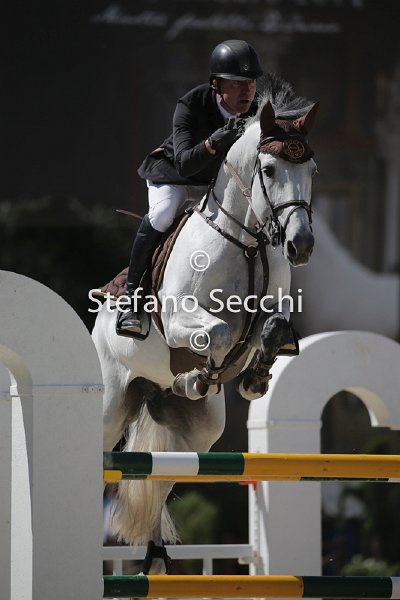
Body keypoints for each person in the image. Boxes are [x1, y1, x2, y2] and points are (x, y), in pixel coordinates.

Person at [118, 39, 263, 334]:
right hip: (175, 178)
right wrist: (212, 143)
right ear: (216, 85)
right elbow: (185, 164)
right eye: (236, 83)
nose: (246, 90)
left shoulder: (258, 110)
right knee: (162, 215)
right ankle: (131, 301)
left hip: (215, 183)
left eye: (250, 82)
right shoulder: (191, 104)